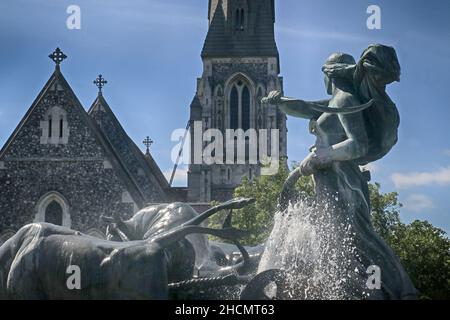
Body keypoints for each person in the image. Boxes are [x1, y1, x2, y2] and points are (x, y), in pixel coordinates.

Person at [263, 44, 418, 299]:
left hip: (342, 178)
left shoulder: (346, 99)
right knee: (341, 238)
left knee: (357, 235)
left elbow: (358, 144)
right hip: (328, 176)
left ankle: (400, 289)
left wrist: (325, 154)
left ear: (330, 74)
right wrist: (280, 102)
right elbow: (305, 107)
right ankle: (359, 289)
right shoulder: (336, 101)